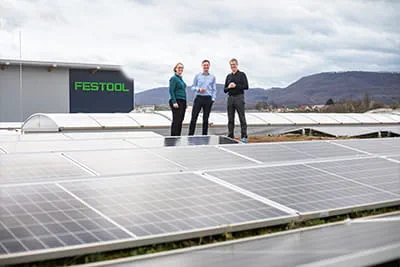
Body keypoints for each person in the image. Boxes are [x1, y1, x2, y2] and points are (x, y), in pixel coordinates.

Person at [189, 59, 217, 136]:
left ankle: (204, 136)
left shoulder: (212, 77)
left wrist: (213, 99)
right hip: (199, 98)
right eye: (204, 65)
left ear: (209, 66)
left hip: (208, 99)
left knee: (206, 119)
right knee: (194, 117)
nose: (206, 66)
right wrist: (198, 89)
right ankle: (190, 135)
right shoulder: (197, 76)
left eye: (207, 65)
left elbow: (214, 89)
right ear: (202, 66)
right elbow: (192, 87)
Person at [224, 58, 249, 143]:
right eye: (231, 65)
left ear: (237, 65)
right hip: (230, 98)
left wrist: (236, 85)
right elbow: (225, 89)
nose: (233, 66)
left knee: (241, 117)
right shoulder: (228, 76)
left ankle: (244, 136)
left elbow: (246, 86)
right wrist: (229, 87)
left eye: (234, 64)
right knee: (230, 118)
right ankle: (230, 135)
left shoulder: (242, 74)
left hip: (239, 97)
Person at [169, 62, 187, 136]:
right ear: (175, 69)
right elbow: (171, 90)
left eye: (182, 68)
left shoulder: (181, 79)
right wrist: (174, 101)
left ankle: (178, 137)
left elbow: (183, 91)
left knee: (180, 120)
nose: (180, 69)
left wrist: (185, 103)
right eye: (179, 68)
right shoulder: (174, 78)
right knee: (176, 120)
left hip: (182, 101)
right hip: (177, 101)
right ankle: (173, 137)